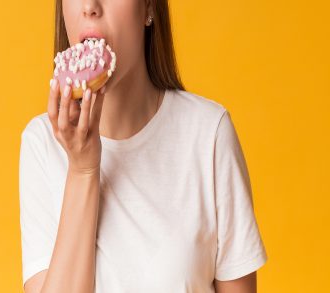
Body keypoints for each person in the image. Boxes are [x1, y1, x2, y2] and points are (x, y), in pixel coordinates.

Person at [18, 0, 268, 292]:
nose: (90, 6)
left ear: (148, 7)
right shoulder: (42, 143)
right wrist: (83, 169)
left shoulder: (208, 133)